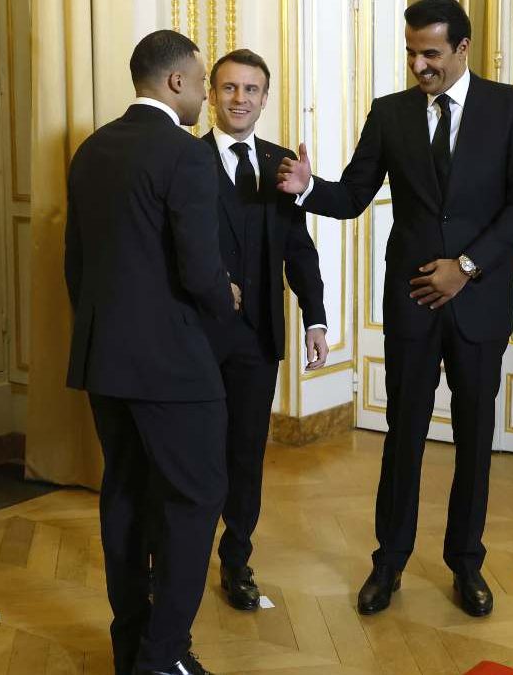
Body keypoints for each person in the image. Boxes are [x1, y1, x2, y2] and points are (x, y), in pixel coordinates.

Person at [277, 0, 513, 618]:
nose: (419, 64)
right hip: (412, 306)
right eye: (411, 52)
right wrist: (309, 188)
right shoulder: (389, 113)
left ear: (462, 48)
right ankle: (388, 562)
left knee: (476, 438)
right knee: (403, 438)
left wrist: (467, 267)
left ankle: (466, 564)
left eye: (431, 52)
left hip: (478, 305)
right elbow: (352, 196)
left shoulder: (510, 108)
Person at [65, 30, 238, 675]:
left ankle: (130, 647)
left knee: (126, 499)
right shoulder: (186, 155)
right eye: (200, 83)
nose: (204, 96)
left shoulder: (90, 151)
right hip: (173, 366)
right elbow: (199, 272)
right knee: (195, 502)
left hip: (105, 360)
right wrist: (227, 296)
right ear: (175, 83)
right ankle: (163, 659)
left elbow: (75, 269)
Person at [200, 49, 328, 612]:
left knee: (246, 456)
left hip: (257, 340)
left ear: (265, 98)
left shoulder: (282, 165)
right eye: (229, 88)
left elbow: (300, 252)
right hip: (196, 338)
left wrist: (316, 319)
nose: (240, 99)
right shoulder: (184, 159)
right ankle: (172, 560)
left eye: (251, 90)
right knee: (191, 456)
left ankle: (237, 562)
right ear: (210, 94)